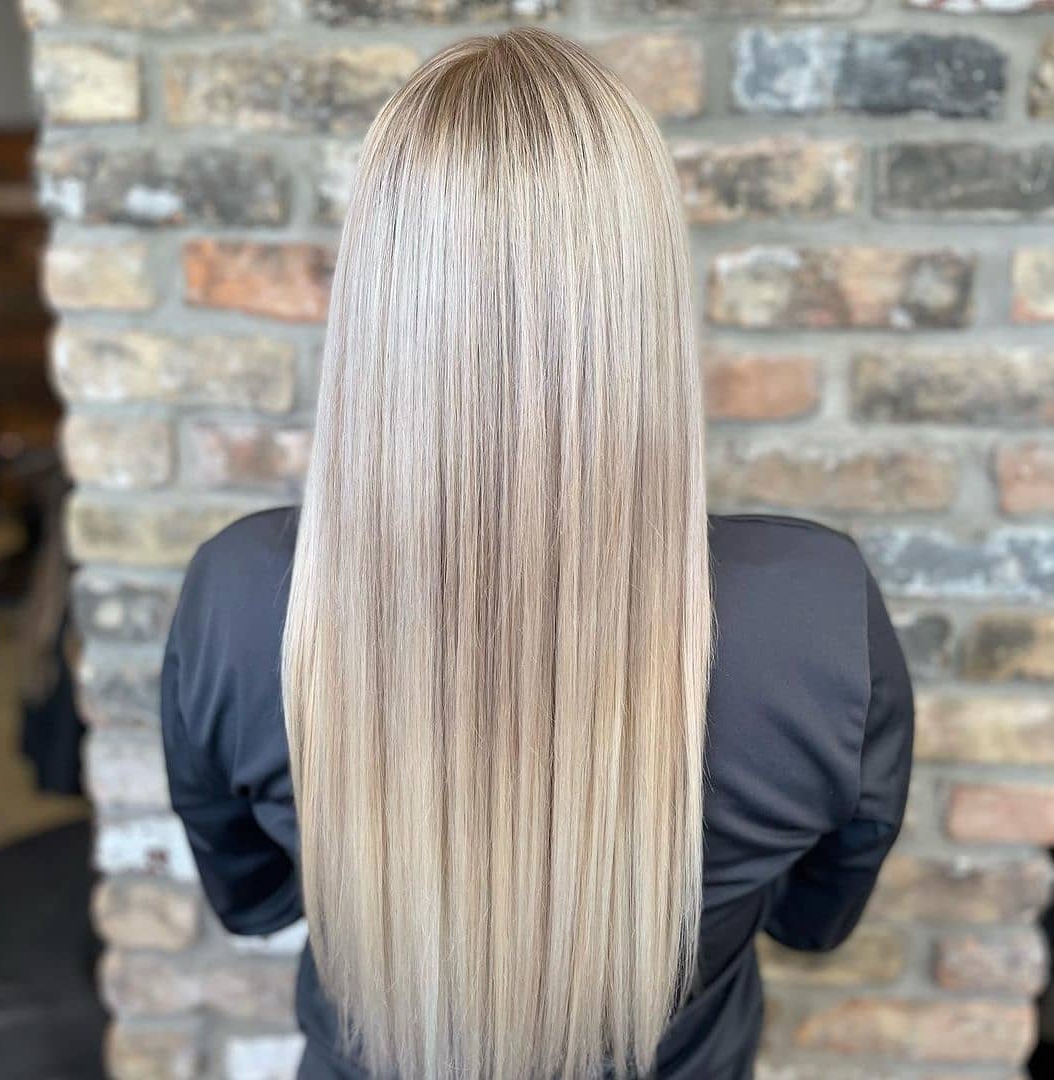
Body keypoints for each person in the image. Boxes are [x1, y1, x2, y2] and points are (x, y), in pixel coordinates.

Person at [160, 27, 914, 1080]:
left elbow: (251, 899)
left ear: (383, 294)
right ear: (644, 292)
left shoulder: (241, 600)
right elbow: (821, 916)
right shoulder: (817, 619)